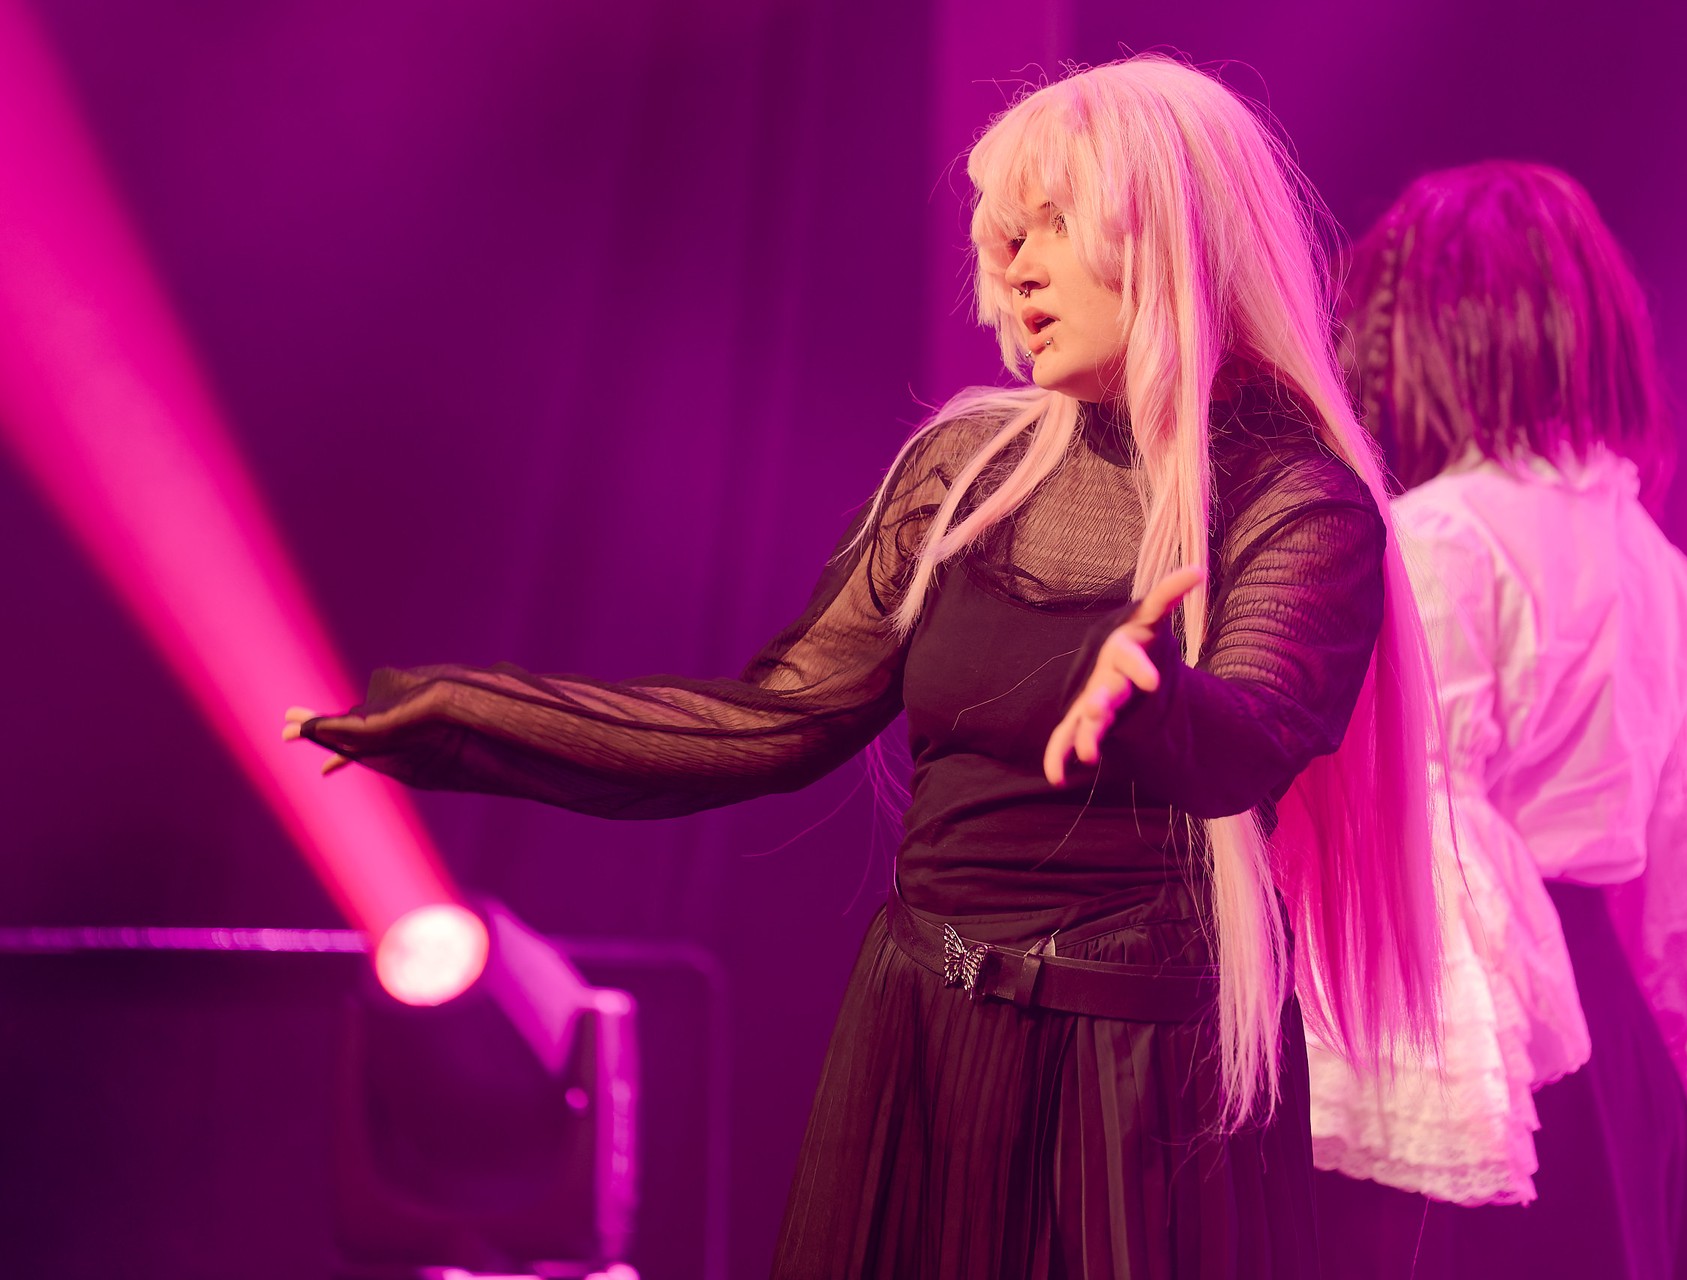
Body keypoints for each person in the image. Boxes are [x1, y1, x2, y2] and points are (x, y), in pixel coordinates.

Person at [287, 56, 1444, 1279]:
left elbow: (1255, 733)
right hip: (919, 1033)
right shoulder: (964, 470)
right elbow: (778, 718)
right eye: (1006, 235)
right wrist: (471, 723)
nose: (1015, 268)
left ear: (1174, 235)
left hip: (1135, 1075)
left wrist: (1155, 702)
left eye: (1054, 223)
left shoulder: (1295, 498)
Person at [1310, 160, 1687, 1279]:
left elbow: (1429, 832)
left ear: (1433, 330)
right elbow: (1680, 859)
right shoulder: (1654, 558)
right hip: (1606, 1035)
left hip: (1483, 1041)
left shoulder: (1440, 537)